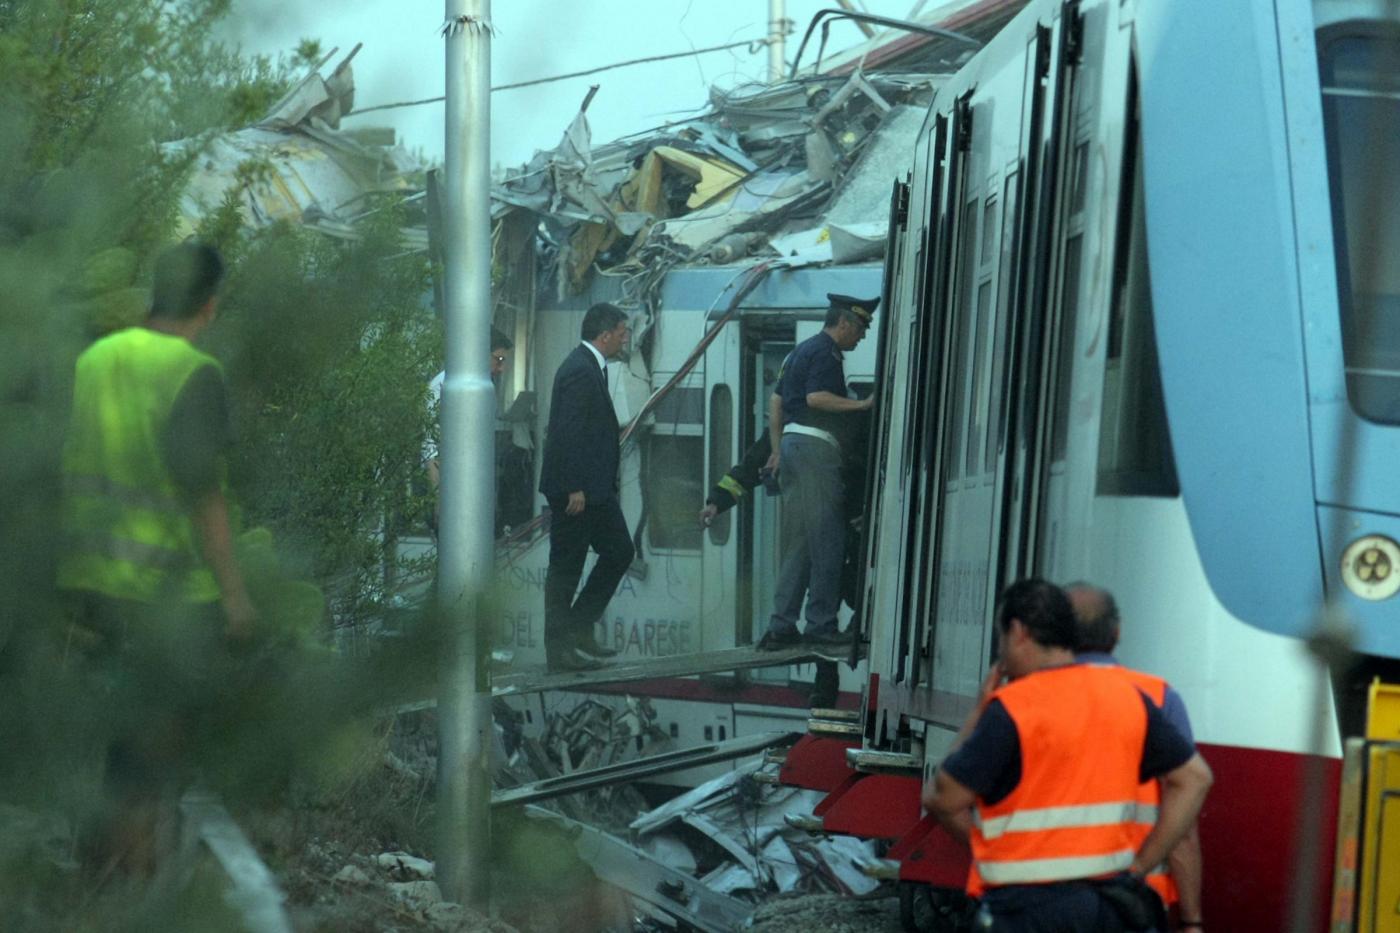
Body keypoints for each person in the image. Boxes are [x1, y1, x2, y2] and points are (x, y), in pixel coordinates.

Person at [57, 241, 253, 872]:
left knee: (108, 735)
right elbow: (204, 495)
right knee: (155, 744)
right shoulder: (192, 372)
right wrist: (235, 598)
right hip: (162, 592)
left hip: (87, 579)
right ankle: (131, 876)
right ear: (211, 306)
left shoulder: (94, 359)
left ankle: (93, 866)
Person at [923, 579, 1213, 932]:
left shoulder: (1015, 707)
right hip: (1114, 908)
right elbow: (1195, 779)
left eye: (1000, 639)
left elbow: (941, 797)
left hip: (1027, 910)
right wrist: (1139, 866)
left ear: (1018, 632)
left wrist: (977, 713)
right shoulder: (1131, 699)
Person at [1066, 583, 1204, 931]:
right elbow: (1183, 830)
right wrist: (1191, 920)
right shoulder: (1159, 698)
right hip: (1134, 900)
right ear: (1118, 631)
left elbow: (953, 798)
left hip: (1042, 897)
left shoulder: (1023, 698)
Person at [756, 293, 876, 656]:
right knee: (829, 541)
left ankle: (781, 626)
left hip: (793, 448)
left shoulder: (799, 352)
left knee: (801, 543)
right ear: (844, 324)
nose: (862, 337)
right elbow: (815, 399)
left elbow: (776, 403)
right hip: (814, 452)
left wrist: (777, 449)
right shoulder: (825, 353)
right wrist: (863, 404)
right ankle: (821, 626)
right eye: (860, 329)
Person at [538, 303, 634, 672]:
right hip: (576, 491)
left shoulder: (593, 367)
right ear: (604, 334)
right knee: (566, 569)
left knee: (620, 551)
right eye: (622, 331)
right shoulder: (579, 370)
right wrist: (573, 486)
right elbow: (567, 431)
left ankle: (579, 629)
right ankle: (558, 650)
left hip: (596, 491)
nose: (626, 338)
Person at [423, 326, 515, 533]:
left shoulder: (486, 389)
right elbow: (431, 450)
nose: (501, 368)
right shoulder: (444, 386)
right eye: (498, 360)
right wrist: (439, 499)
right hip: (451, 485)